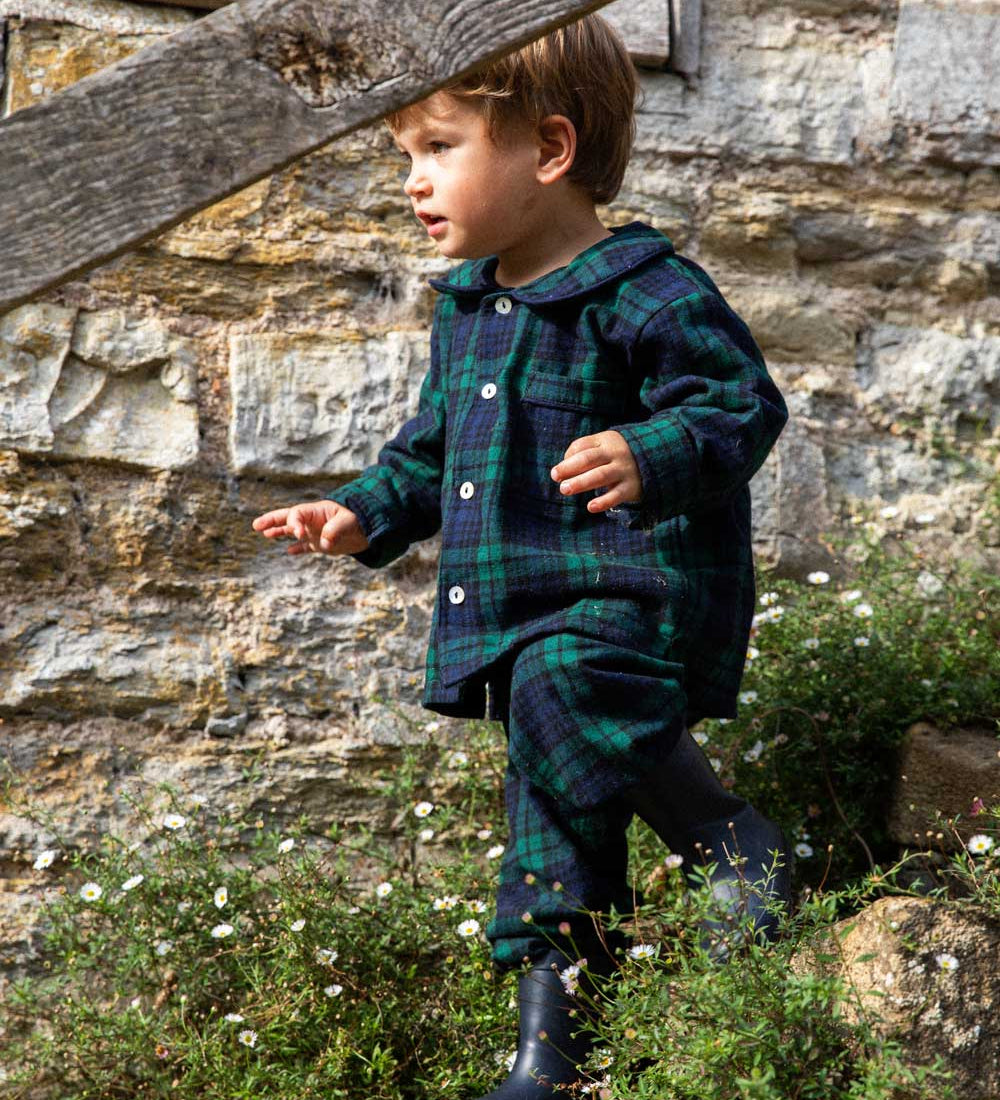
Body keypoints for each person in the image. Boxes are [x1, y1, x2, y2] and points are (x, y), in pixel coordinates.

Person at [252, 13, 792, 1097]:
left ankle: (736, 842)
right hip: (518, 603)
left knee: (559, 678)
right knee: (548, 816)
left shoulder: (647, 289)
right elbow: (429, 449)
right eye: (405, 155)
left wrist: (654, 448)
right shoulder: (467, 312)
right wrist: (362, 513)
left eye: (439, 148)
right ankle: (551, 1056)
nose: (412, 180)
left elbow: (742, 403)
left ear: (547, 151)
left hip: (627, 599)